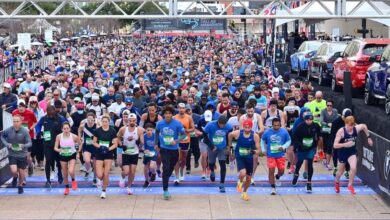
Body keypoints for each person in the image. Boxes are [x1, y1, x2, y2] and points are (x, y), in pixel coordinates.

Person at [333, 116, 373, 194]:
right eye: (348, 126)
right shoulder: (341, 131)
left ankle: (350, 185)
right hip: (342, 152)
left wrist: (368, 137)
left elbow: (364, 126)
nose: (350, 128)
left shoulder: (355, 129)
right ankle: (337, 182)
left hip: (352, 152)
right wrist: (345, 144)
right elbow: (335, 145)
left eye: (352, 126)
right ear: (345, 124)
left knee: (354, 168)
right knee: (340, 172)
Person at [155, 105, 185, 200]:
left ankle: (166, 177)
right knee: (166, 168)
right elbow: (156, 132)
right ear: (164, 115)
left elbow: (183, 135)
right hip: (164, 149)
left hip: (174, 149)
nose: (167, 115)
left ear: (172, 114)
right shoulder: (159, 124)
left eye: (169, 113)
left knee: (170, 168)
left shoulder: (177, 123)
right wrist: (156, 144)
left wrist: (176, 141)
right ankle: (165, 190)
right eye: (166, 113)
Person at [228, 119, 260, 201]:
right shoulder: (238, 133)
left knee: (249, 178)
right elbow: (229, 135)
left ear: (251, 127)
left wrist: (253, 151)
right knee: (243, 173)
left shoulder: (255, 136)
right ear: (243, 126)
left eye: (248, 127)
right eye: (245, 127)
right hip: (240, 156)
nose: (247, 129)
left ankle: (244, 193)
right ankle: (240, 181)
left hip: (249, 158)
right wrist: (230, 149)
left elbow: (259, 150)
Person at [35, 105, 67, 188]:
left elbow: (67, 125)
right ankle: (48, 180)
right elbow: (38, 125)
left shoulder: (60, 118)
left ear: (55, 111)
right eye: (48, 113)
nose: (50, 115)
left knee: (59, 161)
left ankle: (59, 173)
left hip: (58, 144)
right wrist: (39, 132)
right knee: (48, 161)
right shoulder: (44, 118)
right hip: (47, 143)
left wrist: (64, 133)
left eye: (52, 112)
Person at [1, 115, 32, 194]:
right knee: (14, 171)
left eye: (17, 121)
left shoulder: (25, 131)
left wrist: (23, 145)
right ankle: (15, 177)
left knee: (21, 172)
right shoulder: (8, 130)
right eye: (14, 121)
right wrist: (7, 144)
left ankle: (20, 185)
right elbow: (2, 136)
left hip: (22, 154)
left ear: (21, 122)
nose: (16, 123)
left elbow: (30, 143)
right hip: (12, 154)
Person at [292, 112, 321, 193]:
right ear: (305, 120)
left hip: (311, 148)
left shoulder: (315, 126)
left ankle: (309, 182)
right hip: (301, 147)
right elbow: (294, 137)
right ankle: (296, 173)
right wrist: (299, 145)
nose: (309, 121)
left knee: (310, 163)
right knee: (300, 162)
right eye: (307, 120)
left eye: (311, 120)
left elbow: (318, 135)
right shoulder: (300, 126)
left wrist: (316, 144)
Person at [261, 118, 291, 195]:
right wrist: (263, 149)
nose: (276, 127)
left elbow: (289, 141)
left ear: (280, 124)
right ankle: (273, 187)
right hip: (270, 155)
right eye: (275, 125)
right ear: (272, 125)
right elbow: (262, 140)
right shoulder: (267, 132)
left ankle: (277, 176)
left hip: (280, 155)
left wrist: (284, 147)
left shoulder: (284, 131)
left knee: (282, 171)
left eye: (278, 125)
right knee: (271, 170)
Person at [203, 115, 233, 193]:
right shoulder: (210, 125)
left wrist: (228, 147)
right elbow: (204, 137)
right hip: (212, 147)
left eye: (224, 124)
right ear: (217, 122)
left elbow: (229, 137)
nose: (222, 126)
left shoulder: (229, 127)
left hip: (222, 147)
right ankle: (212, 170)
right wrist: (211, 146)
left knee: (222, 164)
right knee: (211, 163)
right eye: (220, 124)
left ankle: (222, 184)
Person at [117, 113, 144, 195]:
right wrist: (121, 145)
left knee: (132, 171)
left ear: (136, 121)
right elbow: (117, 137)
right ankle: (122, 178)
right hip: (126, 152)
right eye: (130, 120)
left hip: (135, 153)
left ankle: (128, 187)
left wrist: (139, 142)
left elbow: (142, 141)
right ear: (127, 121)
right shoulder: (123, 129)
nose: (132, 122)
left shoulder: (139, 130)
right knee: (126, 171)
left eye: (133, 120)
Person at [92, 115, 118, 199]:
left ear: (109, 122)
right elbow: (94, 142)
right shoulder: (97, 131)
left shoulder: (112, 131)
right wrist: (100, 146)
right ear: (101, 122)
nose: (104, 123)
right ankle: (103, 180)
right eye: (103, 121)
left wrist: (108, 148)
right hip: (99, 153)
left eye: (106, 122)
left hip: (108, 154)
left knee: (106, 174)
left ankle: (103, 191)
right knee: (100, 175)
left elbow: (115, 144)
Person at [54, 122, 82, 195]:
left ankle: (73, 180)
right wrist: (59, 150)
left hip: (71, 155)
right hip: (62, 155)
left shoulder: (74, 136)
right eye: (64, 129)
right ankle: (66, 188)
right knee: (65, 173)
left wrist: (78, 152)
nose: (66, 130)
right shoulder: (59, 136)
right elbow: (55, 147)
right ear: (62, 129)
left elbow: (80, 143)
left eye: (67, 128)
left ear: (70, 129)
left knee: (71, 170)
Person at [12, 99, 37, 177]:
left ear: (25, 106)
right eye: (19, 106)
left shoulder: (30, 113)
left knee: (27, 156)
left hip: (28, 136)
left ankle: (30, 166)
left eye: (22, 106)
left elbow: (35, 122)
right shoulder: (14, 112)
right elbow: (13, 122)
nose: (21, 108)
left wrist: (31, 128)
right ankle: (20, 175)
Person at [173, 102, 195, 184]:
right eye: (180, 108)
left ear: (185, 109)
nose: (181, 109)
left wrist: (186, 130)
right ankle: (176, 176)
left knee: (183, 159)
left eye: (183, 108)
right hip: (177, 140)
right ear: (178, 108)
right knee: (177, 158)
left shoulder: (189, 117)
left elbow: (193, 128)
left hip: (186, 140)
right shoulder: (174, 118)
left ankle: (182, 171)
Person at [78, 112, 98, 183]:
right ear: (86, 119)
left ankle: (95, 178)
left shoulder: (97, 126)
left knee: (95, 165)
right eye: (88, 119)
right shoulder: (83, 126)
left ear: (94, 119)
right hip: (86, 146)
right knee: (87, 160)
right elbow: (79, 131)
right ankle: (88, 170)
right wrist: (79, 138)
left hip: (95, 147)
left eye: (91, 120)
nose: (90, 121)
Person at [320, 100, 338, 170]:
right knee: (325, 145)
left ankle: (328, 163)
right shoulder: (323, 111)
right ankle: (325, 159)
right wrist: (327, 124)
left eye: (330, 105)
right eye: (328, 105)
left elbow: (337, 119)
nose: (329, 107)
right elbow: (321, 121)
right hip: (324, 131)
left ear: (332, 106)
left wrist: (333, 124)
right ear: (326, 105)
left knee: (330, 146)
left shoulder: (335, 111)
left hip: (332, 131)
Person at [142, 123, 158, 188]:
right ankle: (146, 181)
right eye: (148, 130)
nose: (149, 132)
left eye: (151, 130)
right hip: (146, 153)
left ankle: (154, 173)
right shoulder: (143, 136)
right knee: (146, 167)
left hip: (154, 153)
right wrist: (144, 150)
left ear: (153, 130)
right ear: (145, 130)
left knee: (152, 166)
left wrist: (157, 147)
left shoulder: (155, 136)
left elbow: (159, 143)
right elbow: (141, 145)